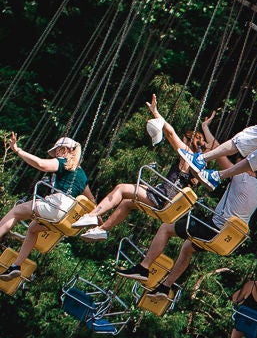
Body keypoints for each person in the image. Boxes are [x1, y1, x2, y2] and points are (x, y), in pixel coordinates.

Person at [74, 96, 219, 239]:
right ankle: (102, 229)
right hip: (170, 201)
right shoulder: (202, 165)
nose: (181, 141)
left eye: (184, 140)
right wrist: (205, 127)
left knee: (121, 188)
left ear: (189, 142)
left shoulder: (188, 155)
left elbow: (170, 133)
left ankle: (92, 215)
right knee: (127, 203)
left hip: (163, 197)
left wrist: (156, 113)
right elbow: (216, 147)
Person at [119, 165, 257, 295]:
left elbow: (223, 154)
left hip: (213, 228)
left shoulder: (241, 178)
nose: (237, 165)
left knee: (165, 228)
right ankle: (165, 287)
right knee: (187, 248)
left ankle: (143, 267)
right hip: (226, 239)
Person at [0, 135, 89, 279]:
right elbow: (90, 201)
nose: (56, 155)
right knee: (33, 229)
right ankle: (16, 266)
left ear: (64, 150)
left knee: (16, 211)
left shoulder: (63, 162)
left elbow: (41, 164)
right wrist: (100, 224)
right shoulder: (82, 175)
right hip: (68, 215)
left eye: (57, 152)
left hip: (56, 205)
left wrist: (18, 151)